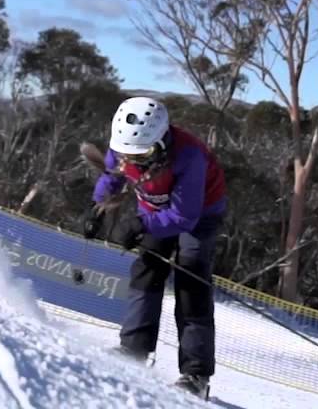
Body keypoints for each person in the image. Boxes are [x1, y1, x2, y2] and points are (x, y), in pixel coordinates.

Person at [81, 96, 228, 398]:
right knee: (147, 268)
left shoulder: (188, 156)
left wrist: (141, 226)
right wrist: (97, 209)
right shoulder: (124, 147)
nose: (133, 161)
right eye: (127, 154)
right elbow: (111, 178)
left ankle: (196, 374)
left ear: (161, 142)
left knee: (191, 281)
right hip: (154, 209)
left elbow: (184, 216)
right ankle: (134, 348)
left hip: (199, 215)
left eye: (143, 153)